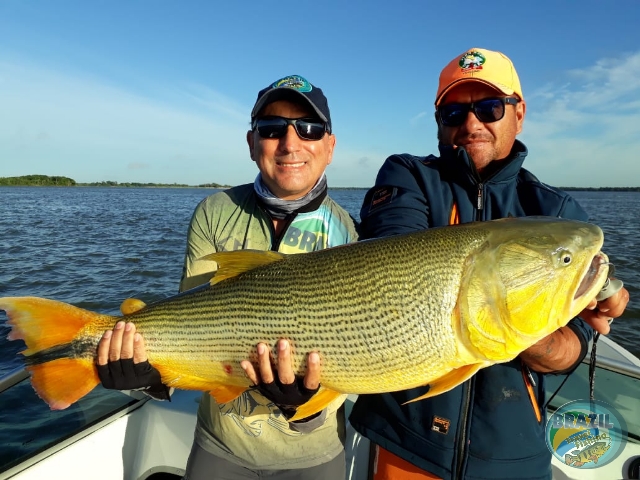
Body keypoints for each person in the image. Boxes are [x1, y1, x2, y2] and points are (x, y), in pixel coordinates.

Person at [348, 48, 630, 480]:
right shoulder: (409, 175)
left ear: (519, 112)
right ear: (439, 121)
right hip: (408, 442)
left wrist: (524, 329)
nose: (472, 123)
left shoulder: (558, 211)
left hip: (512, 455)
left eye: (489, 107)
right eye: (454, 111)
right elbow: (391, 259)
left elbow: (573, 348)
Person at [96, 74, 358, 479]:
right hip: (221, 443)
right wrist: (149, 375)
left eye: (309, 128)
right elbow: (193, 325)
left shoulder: (349, 233)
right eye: (272, 130)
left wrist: (302, 402)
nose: (290, 144)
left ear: (330, 145)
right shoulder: (214, 211)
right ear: (252, 145)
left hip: (314, 450)